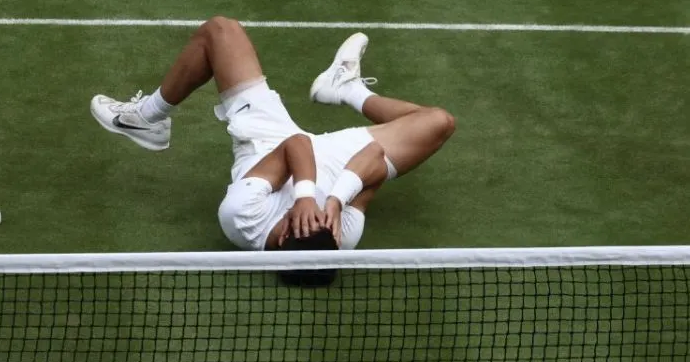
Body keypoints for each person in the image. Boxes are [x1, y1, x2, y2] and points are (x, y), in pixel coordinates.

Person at [90, 16, 455, 256]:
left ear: (281, 238)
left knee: (220, 32)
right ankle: (345, 88)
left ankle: (146, 118)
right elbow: (373, 158)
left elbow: (295, 145)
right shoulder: (341, 237)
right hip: (338, 164)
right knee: (438, 122)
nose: (315, 218)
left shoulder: (242, 217)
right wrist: (335, 201)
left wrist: (305, 198)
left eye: (305, 221)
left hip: (268, 142)